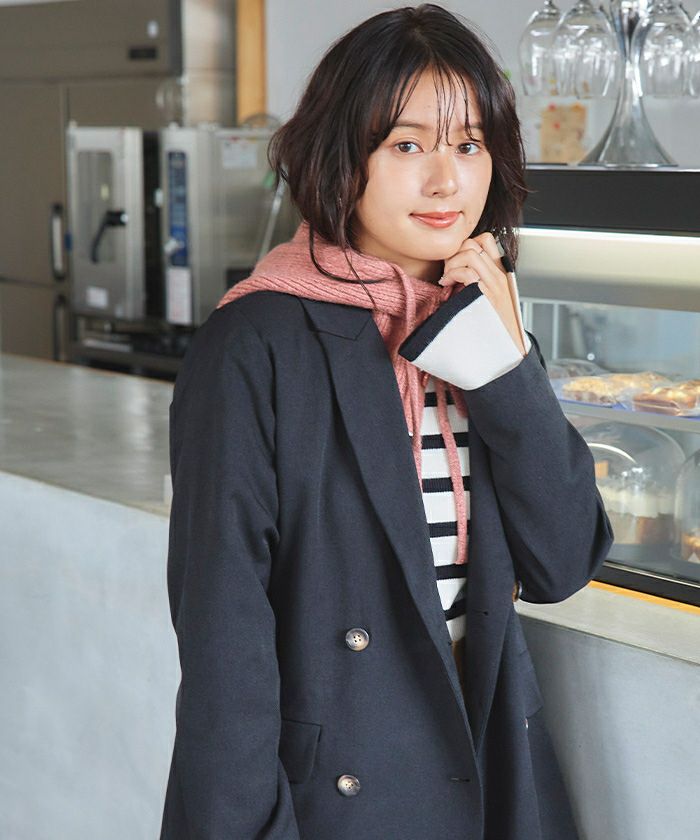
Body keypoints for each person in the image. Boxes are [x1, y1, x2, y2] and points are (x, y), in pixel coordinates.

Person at [160, 4, 613, 839]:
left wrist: (509, 367)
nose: (447, 182)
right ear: (344, 156)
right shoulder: (256, 342)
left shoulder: (480, 329)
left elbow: (563, 562)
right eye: (407, 146)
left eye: (469, 145)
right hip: (332, 798)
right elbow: (224, 640)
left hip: (487, 775)